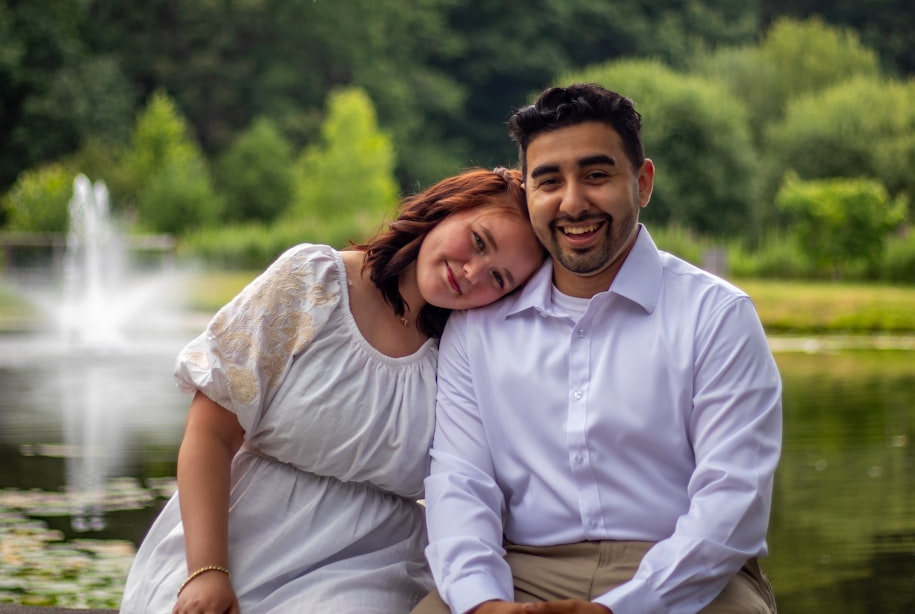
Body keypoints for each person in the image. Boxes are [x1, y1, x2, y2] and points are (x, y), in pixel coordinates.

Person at [414, 83, 783, 614]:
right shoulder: (476, 328)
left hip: (687, 575)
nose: (573, 202)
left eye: (596, 175)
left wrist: (623, 608)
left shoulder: (717, 316)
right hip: (520, 568)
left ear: (643, 181)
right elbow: (460, 482)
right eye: (549, 182)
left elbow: (733, 502)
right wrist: (482, 603)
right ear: (529, 197)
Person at [120, 167, 545, 614]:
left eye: (499, 279)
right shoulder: (312, 281)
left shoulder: (467, 351)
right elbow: (210, 433)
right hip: (230, 541)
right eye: (479, 241)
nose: (473, 271)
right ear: (448, 207)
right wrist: (207, 570)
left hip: (372, 566)